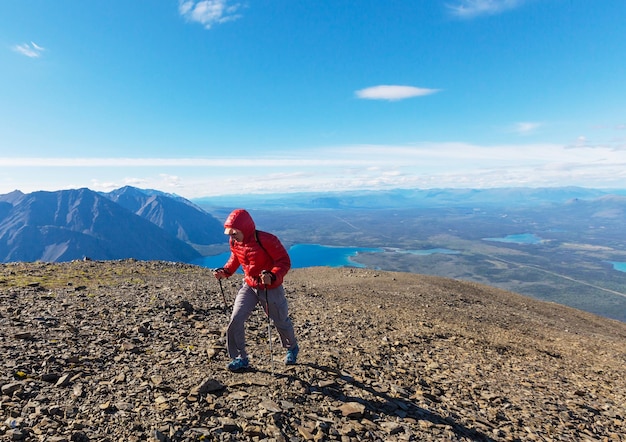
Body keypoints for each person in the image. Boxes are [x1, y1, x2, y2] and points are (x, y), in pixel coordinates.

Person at [213, 209, 299, 372]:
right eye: (230, 234)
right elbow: (235, 258)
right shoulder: (235, 242)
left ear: (245, 228)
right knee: (236, 319)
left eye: (234, 233)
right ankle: (240, 358)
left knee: (280, 320)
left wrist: (272, 276)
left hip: (269, 287)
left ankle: (292, 348)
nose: (231, 237)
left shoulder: (266, 239)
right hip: (250, 285)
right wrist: (225, 271)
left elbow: (284, 262)